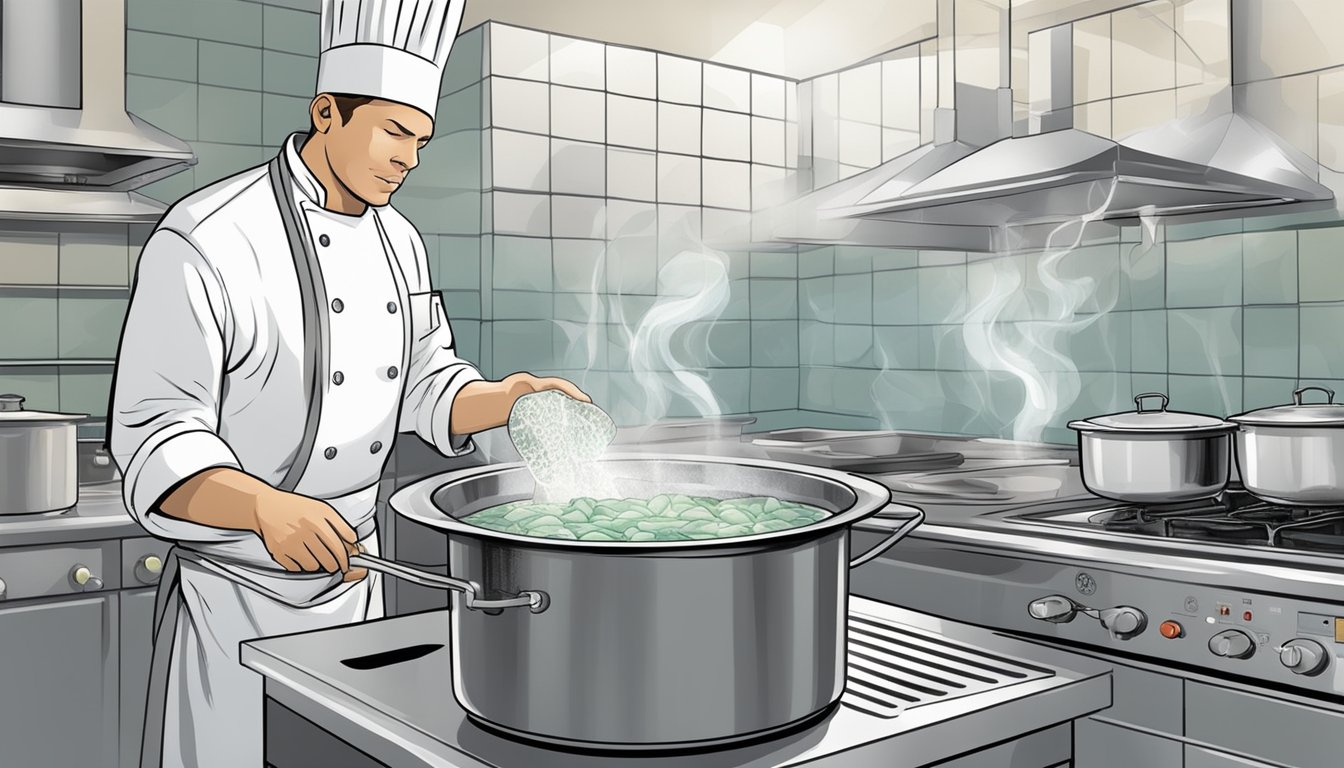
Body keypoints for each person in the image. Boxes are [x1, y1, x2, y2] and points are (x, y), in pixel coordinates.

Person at [109, 1, 589, 765]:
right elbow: (156, 440)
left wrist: (506, 400)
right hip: (237, 595)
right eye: (395, 132)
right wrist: (265, 508)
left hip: (357, 585)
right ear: (326, 112)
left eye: (421, 141)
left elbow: (426, 381)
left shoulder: (400, 240)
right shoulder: (207, 236)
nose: (409, 159)